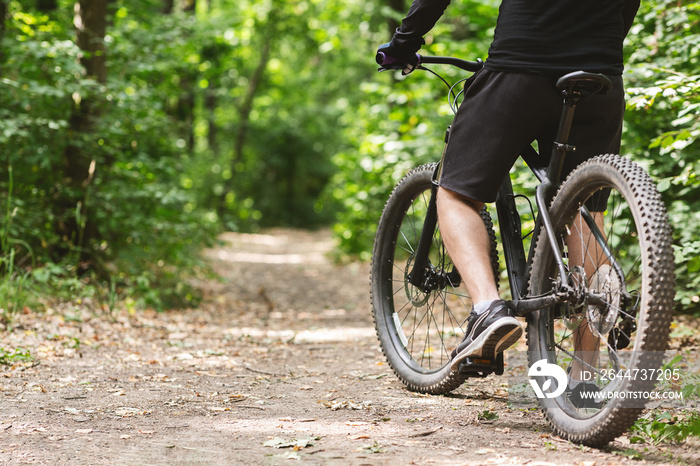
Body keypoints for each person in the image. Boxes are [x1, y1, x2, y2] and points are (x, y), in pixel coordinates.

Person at [379, 0, 639, 393]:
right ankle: (586, 377)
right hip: (599, 76)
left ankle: (487, 309)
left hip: (521, 67)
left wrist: (403, 42)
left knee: (455, 192)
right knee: (584, 210)